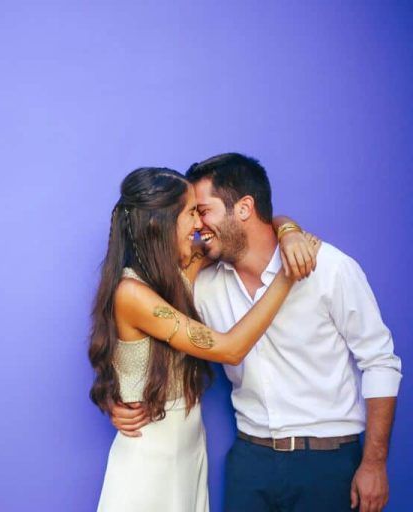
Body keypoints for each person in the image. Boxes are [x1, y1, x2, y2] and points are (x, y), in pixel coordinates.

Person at [111, 154, 402, 512]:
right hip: (249, 462)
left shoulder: (330, 268)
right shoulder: (200, 282)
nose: (198, 225)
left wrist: (374, 463)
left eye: (203, 211)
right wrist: (120, 397)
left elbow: (380, 362)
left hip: (327, 460)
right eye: (192, 213)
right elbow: (154, 342)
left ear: (245, 208)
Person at [89, 167, 319, 512]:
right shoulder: (131, 293)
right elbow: (230, 349)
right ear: (160, 223)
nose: (199, 224)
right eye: (191, 213)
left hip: (189, 452)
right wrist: (287, 277)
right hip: (150, 459)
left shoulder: (180, 269)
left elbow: (250, 225)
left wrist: (288, 230)